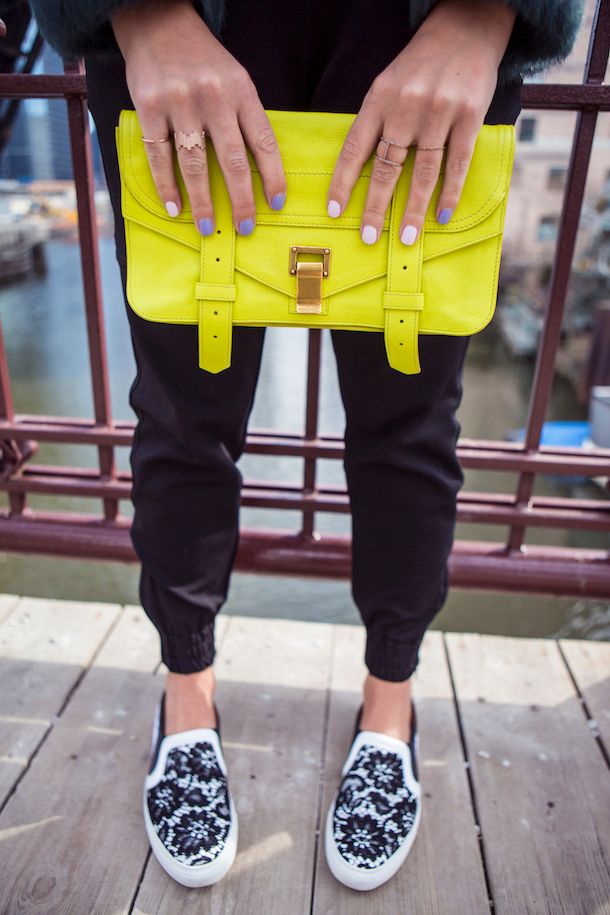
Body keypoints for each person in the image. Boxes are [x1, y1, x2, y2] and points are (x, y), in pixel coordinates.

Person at [29, 0, 583, 892]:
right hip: (190, 21)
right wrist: (136, 13)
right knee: (182, 416)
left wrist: (487, 19)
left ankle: (390, 706)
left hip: (422, 24)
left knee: (410, 423)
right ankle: (186, 701)